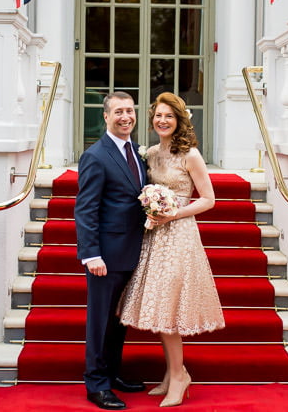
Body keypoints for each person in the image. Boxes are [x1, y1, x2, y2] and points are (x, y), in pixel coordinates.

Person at [118, 92, 225, 408]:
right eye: (158, 115)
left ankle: (179, 376)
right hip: (154, 236)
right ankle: (174, 373)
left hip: (178, 235)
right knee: (163, 307)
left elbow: (208, 199)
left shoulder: (189, 154)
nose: (162, 121)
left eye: (169, 116)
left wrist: (173, 212)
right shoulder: (150, 153)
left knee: (169, 307)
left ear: (179, 121)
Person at [75, 91, 148, 410]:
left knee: (119, 320)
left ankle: (113, 373)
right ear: (106, 116)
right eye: (118, 111)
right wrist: (92, 255)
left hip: (134, 250)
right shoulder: (96, 155)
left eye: (129, 111)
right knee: (100, 320)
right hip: (106, 254)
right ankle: (96, 384)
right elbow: (85, 208)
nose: (125, 117)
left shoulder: (136, 152)